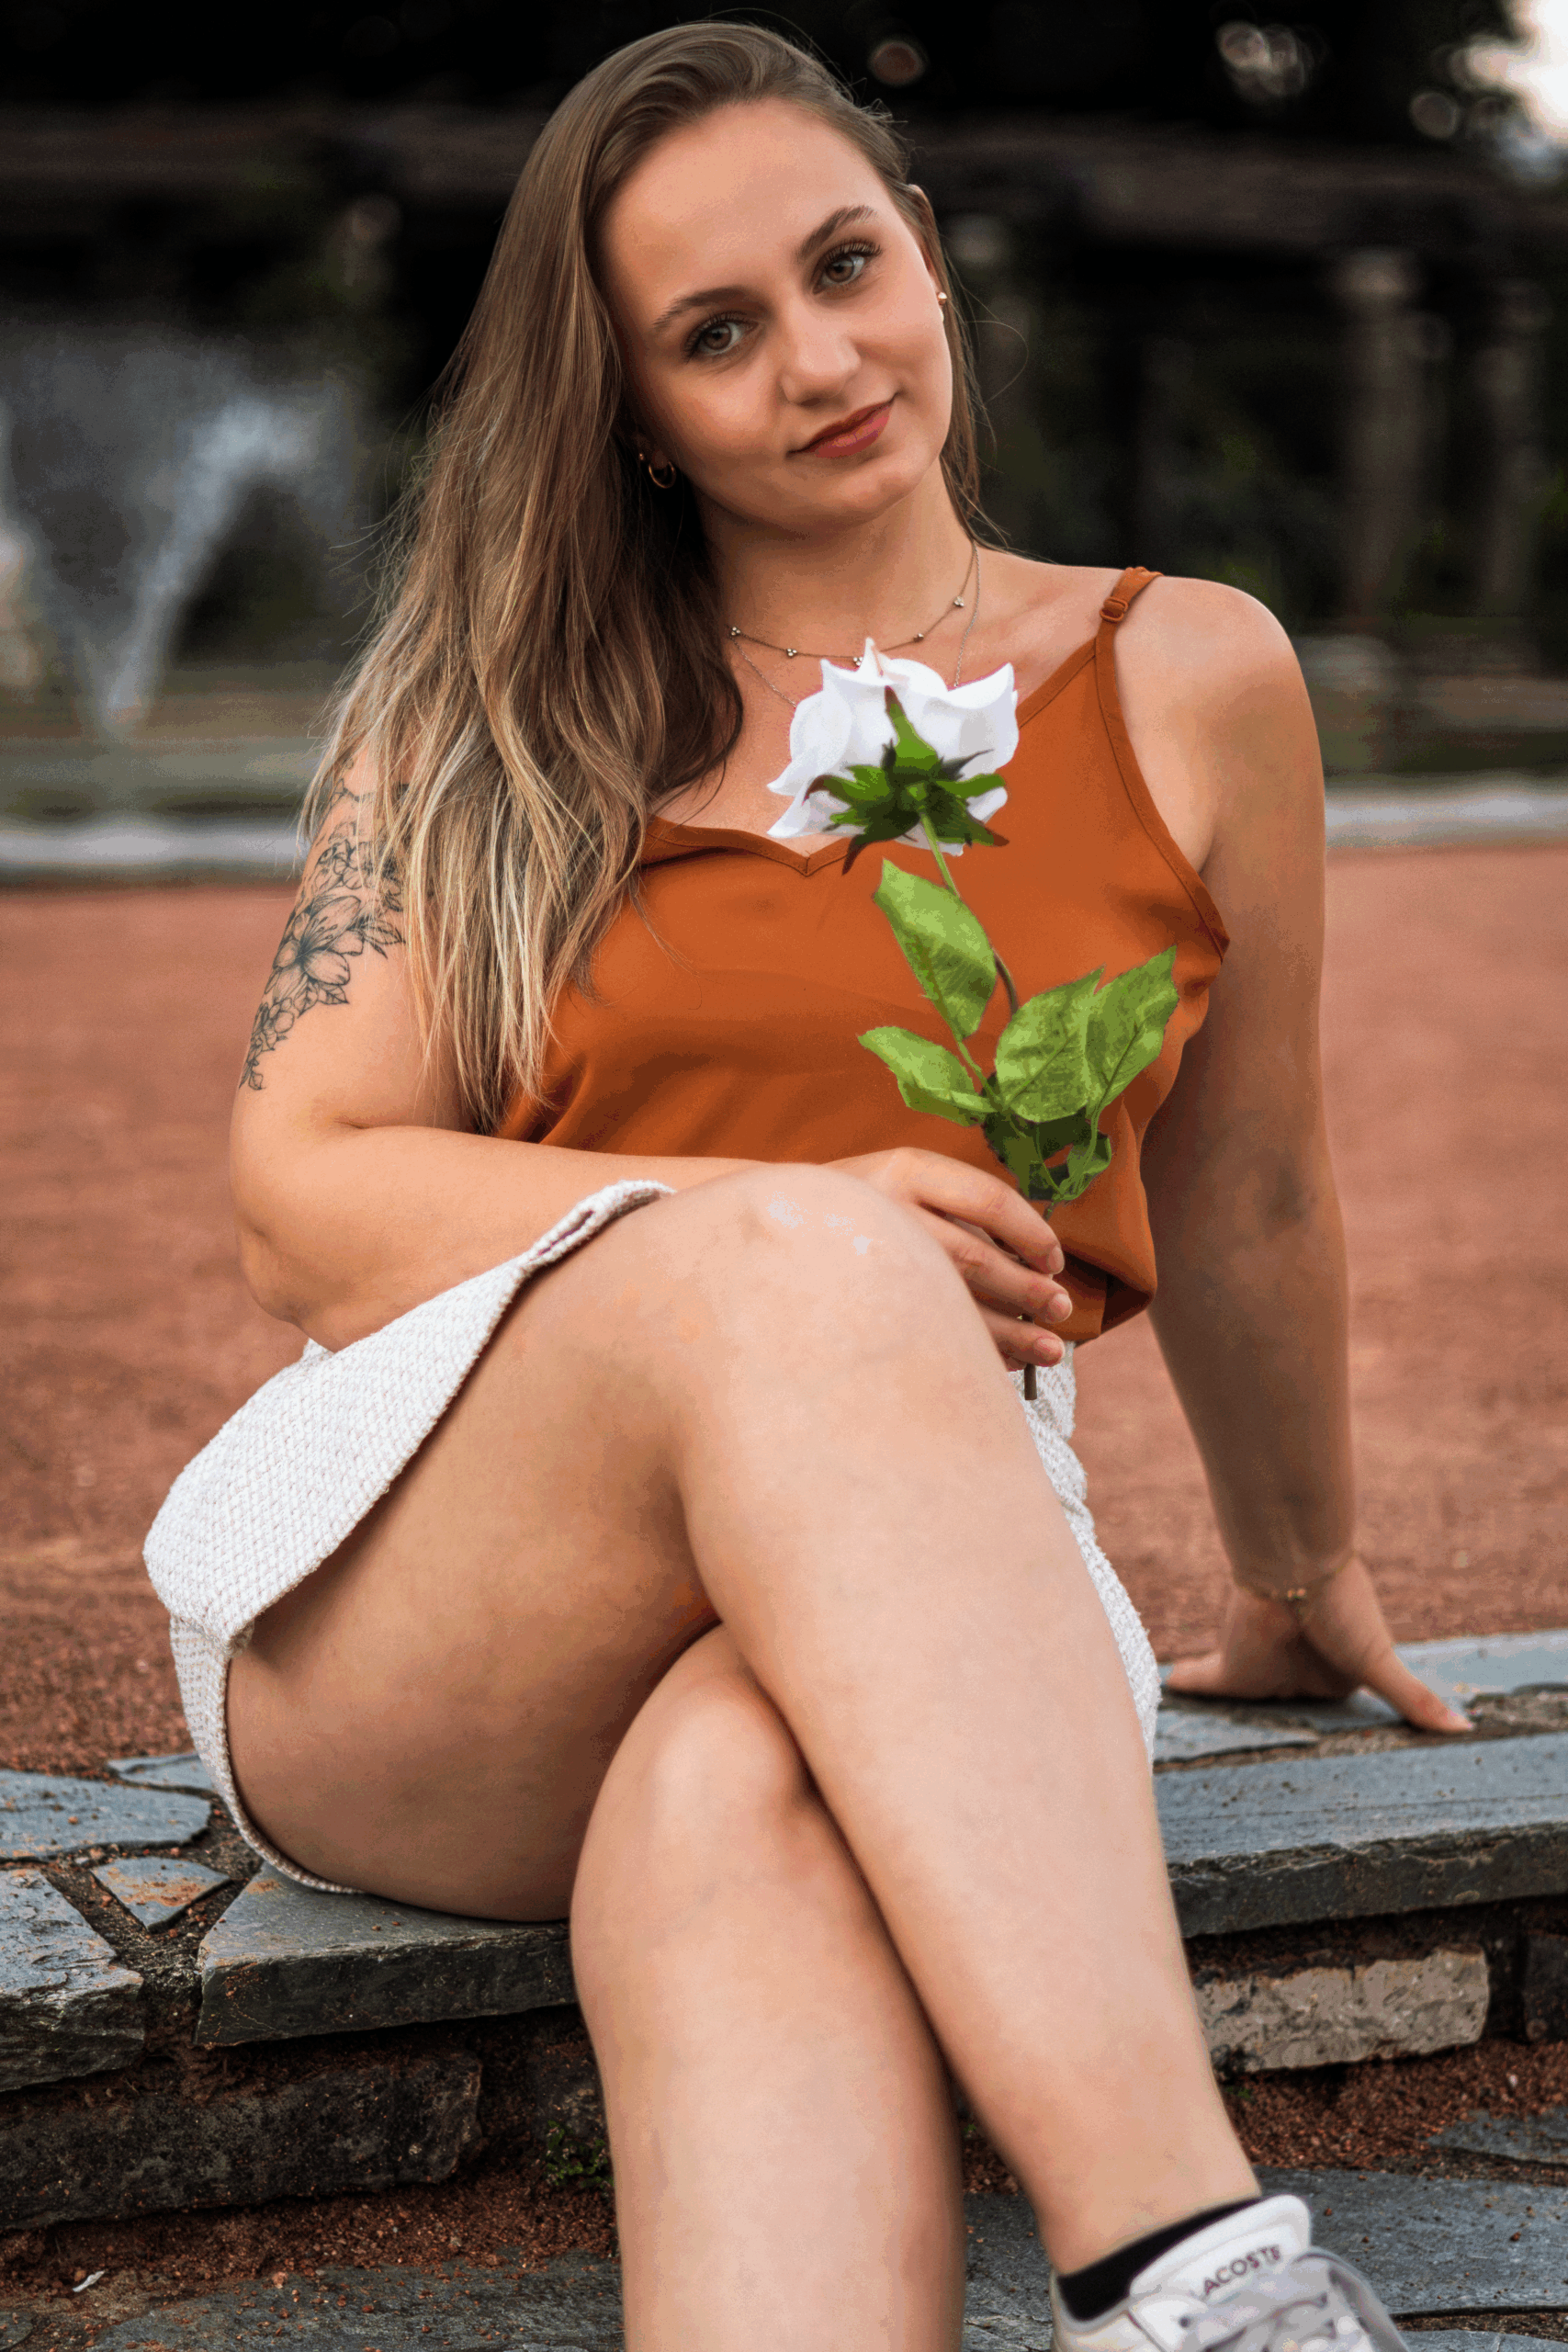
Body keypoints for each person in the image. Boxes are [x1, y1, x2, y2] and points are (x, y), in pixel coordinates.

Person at [145, 25, 1469, 2352]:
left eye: (844, 267)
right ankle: (1200, 2269)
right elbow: (298, 1194)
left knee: (752, 1786)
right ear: (635, 408)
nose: (818, 360)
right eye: (716, 332)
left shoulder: (1195, 672)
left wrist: (1297, 1570)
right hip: (450, 1578)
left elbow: (1248, 1180)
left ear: (930, 262)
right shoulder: (491, 705)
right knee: (802, 1242)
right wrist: (784, 1220)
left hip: (930, 1565)